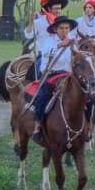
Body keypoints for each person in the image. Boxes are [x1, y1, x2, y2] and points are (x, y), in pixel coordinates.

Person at [31, 15, 79, 145]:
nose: (64, 31)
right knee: (42, 97)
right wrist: (60, 45)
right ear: (55, 30)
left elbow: (77, 56)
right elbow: (46, 52)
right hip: (51, 74)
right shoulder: (49, 41)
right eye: (62, 28)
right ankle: (37, 126)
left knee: (86, 96)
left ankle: (86, 126)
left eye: (67, 28)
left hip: (68, 75)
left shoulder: (73, 42)